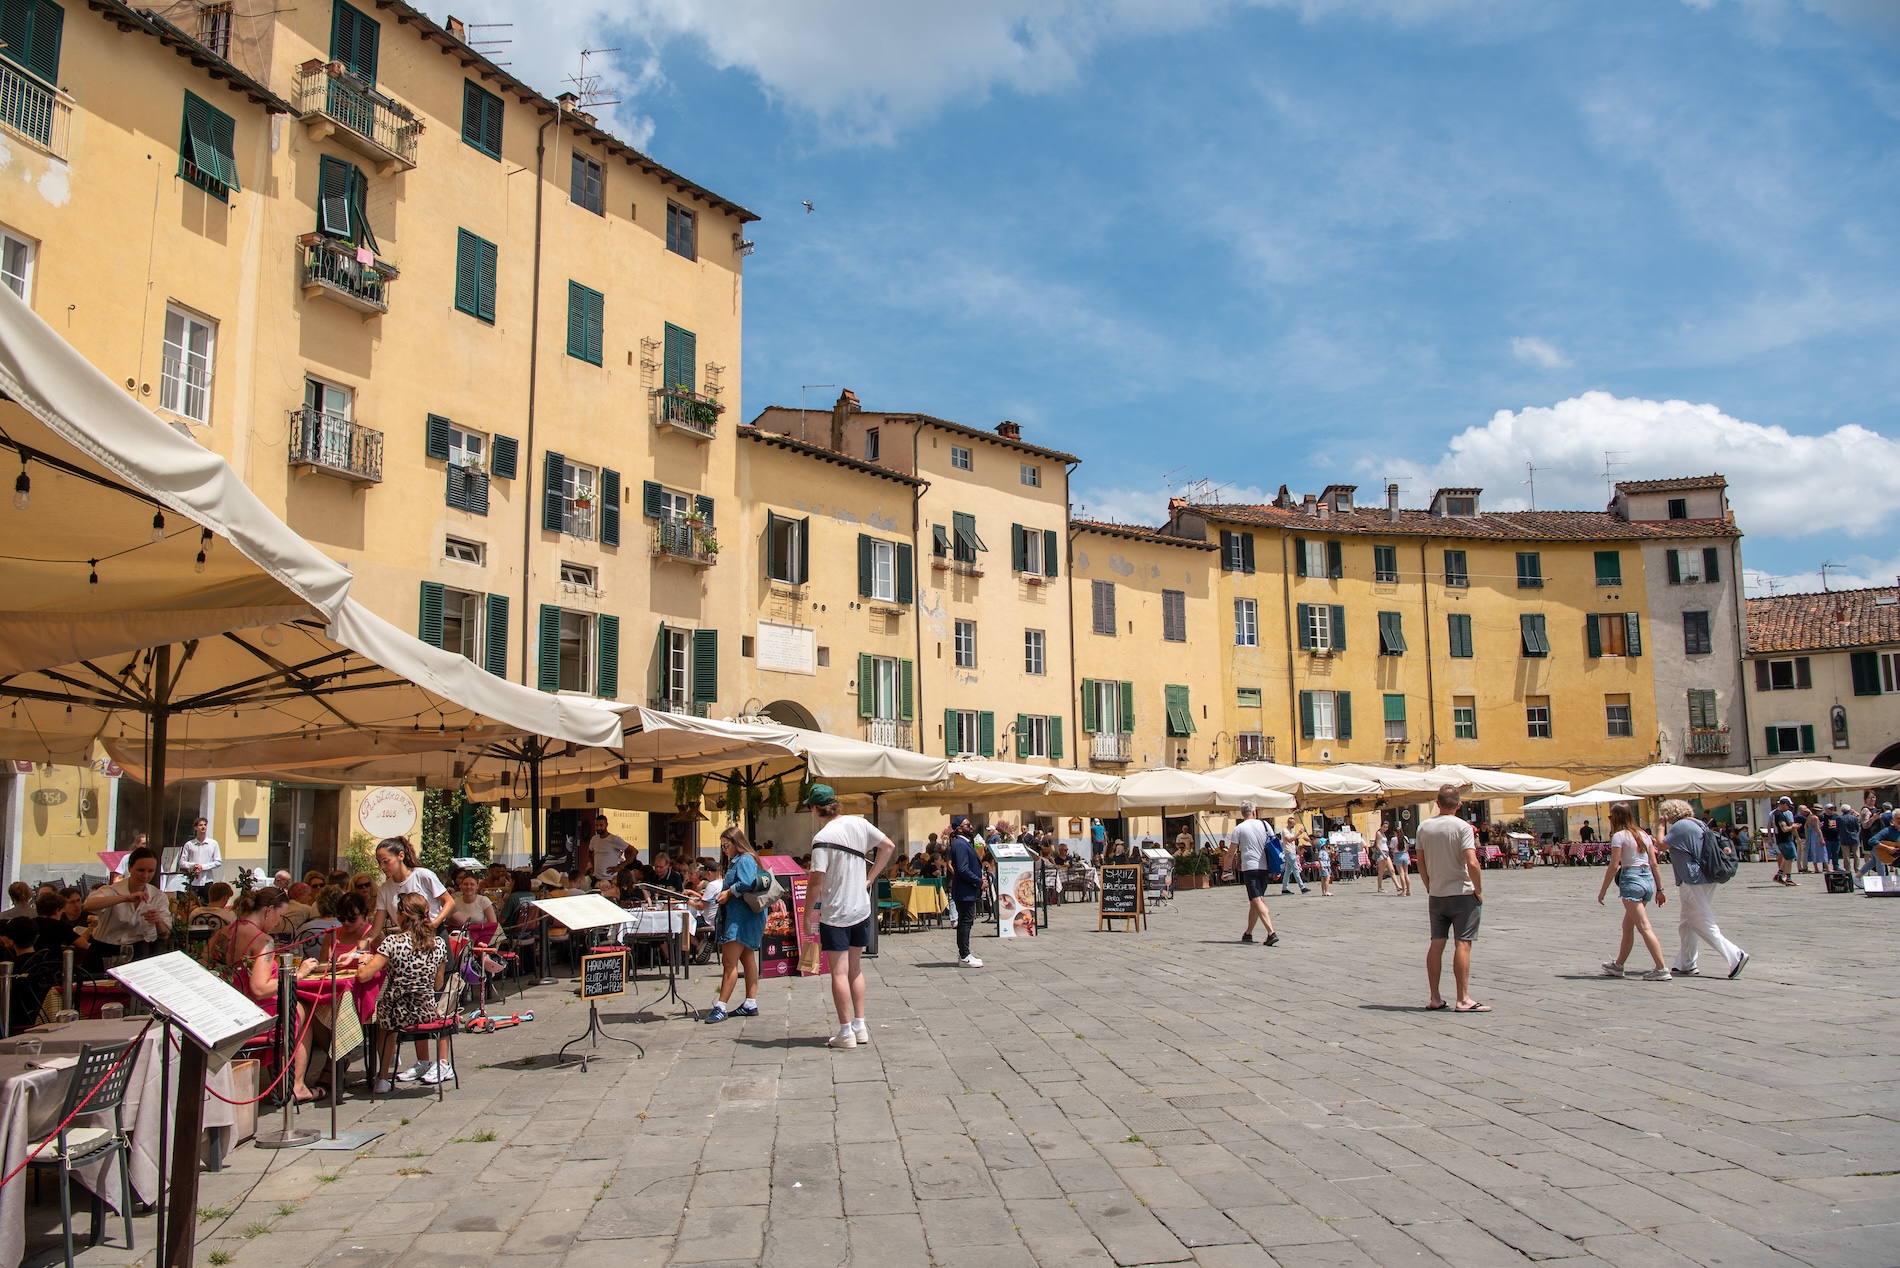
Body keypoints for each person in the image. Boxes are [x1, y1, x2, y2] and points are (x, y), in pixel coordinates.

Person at [800, 784, 894, 1049]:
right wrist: (870, 878)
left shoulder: (822, 838)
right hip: (860, 908)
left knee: (838, 973)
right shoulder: (859, 823)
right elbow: (888, 846)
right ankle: (860, 1026)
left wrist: (807, 915)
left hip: (836, 913)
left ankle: (845, 1032)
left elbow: (816, 882)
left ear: (815, 809)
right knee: (855, 969)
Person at [220, 887, 326, 1102]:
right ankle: (296, 1086)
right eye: (279, 915)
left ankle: (281, 1082)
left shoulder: (227, 931)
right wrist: (298, 974)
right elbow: (260, 989)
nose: (279, 922)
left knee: (292, 1006)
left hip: (230, 1006)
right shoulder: (263, 941)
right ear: (269, 910)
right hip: (255, 1013)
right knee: (301, 1009)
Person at [357, 892, 452, 1090]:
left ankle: (383, 1077)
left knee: (384, 1023)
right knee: (390, 1014)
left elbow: (364, 976)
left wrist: (362, 959)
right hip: (426, 1011)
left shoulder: (392, 942)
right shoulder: (438, 944)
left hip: (396, 1012)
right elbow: (437, 985)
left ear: (401, 914)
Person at [1657, 800, 1748, 979]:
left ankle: (1735, 955)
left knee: (1701, 922)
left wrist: (1660, 826)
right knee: (1687, 923)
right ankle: (1686, 962)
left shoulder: (1681, 826)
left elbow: (1661, 844)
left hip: (1693, 879)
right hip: (1704, 877)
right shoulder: (1698, 823)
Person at [1417, 784, 1487, 1012]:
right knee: (1463, 944)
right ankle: (1463, 998)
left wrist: (1430, 886)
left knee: (1436, 944)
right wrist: (1478, 890)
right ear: (1459, 804)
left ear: (1437, 803)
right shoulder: (1463, 827)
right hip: (1462, 892)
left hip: (1437, 893)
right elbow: (1472, 862)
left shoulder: (1423, 827)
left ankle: (1435, 997)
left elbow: (1421, 863)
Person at [1598, 803, 1670, 980]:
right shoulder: (1643, 834)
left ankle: (1661, 968)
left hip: (1632, 879)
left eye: (1611, 817)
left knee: (1644, 926)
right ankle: (1618, 965)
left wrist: (1603, 890)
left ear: (1616, 817)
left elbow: (1614, 865)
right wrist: (1660, 889)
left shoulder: (1619, 836)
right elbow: (1654, 863)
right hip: (1647, 880)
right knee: (1628, 926)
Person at [704, 827, 766, 1023]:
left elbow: (746, 882)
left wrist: (729, 892)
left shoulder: (744, 859)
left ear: (736, 843)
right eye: (722, 846)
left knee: (729, 962)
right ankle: (750, 1002)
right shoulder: (745, 859)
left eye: (726, 845)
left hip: (740, 919)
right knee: (747, 958)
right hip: (745, 916)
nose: (724, 850)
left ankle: (721, 1006)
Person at [83, 846, 172, 971]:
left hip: (139, 952)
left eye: (150, 871)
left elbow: (164, 935)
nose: (145, 875)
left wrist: (158, 920)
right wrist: (125, 898)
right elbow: (89, 905)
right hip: (104, 951)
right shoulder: (112, 890)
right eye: (140, 870)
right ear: (130, 868)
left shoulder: (158, 896)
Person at [371, 836, 455, 938]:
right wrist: (359, 947)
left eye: (386, 861)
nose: (382, 867)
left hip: (435, 935)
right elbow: (376, 929)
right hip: (408, 939)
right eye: (379, 862)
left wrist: (433, 925)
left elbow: (449, 902)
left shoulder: (423, 875)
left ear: (401, 856)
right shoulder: (384, 889)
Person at [1232, 801, 1280, 946]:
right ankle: (1248, 933)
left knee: (1257, 900)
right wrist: (1277, 868)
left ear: (1242, 813)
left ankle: (1271, 932)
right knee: (1255, 901)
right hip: (1264, 868)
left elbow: (1231, 851)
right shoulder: (1265, 825)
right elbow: (1275, 845)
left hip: (1250, 868)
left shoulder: (1239, 828)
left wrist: (1227, 869)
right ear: (1254, 812)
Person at [947, 816, 985, 968]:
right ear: (959, 829)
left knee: (967, 921)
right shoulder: (960, 844)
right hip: (964, 890)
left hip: (968, 889)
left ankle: (965, 953)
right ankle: (964, 955)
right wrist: (979, 881)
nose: (971, 827)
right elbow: (962, 869)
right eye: (967, 825)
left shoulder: (965, 843)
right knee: (965, 922)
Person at [32, 888, 86, 956]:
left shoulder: (30, 924)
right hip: (52, 961)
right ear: (57, 911)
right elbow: (83, 944)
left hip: (30, 961)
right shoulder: (60, 926)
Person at [583, 813, 629, 882]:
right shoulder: (594, 839)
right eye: (596, 825)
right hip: (596, 877)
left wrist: (620, 866)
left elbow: (633, 851)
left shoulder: (614, 839)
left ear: (606, 825)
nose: (598, 828)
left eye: (601, 825)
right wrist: (594, 865)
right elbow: (590, 853)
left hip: (610, 878)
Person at [1269, 818, 1307, 896]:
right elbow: (1289, 840)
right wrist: (1299, 833)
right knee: (1296, 869)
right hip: (1288, 852)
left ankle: (1284, 888)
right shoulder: (1285, 831)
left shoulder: (1291, 831)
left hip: (1292, 852)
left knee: (1288, 871)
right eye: (1293, 823)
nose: (1294, 825)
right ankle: (1302, 887)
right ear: (1289, 823)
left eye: (1294, 823)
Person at [1771, 797, 1798, 884]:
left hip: (1780, 839)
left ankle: (1779, 875)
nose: (1788, 809)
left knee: (1787, 857)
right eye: (1788, 806)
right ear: (1784, 805)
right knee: (1790, 858)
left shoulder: (1775, 813)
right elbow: (1785, 829)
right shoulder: (1780, 815)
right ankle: (1788, 878)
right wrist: (1793, 827)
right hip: (1785, 839)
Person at [1389, 826, 1413, 896]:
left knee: (1401, 874)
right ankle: (1408, 891)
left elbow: (1392, 848)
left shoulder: (1394, 839)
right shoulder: (1405, 838)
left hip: (1398, 855)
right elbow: (1407, 847)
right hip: (1405, 855)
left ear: (1395, 832)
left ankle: (1404, 891)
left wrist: (1393, 851)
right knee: (1406, 874)